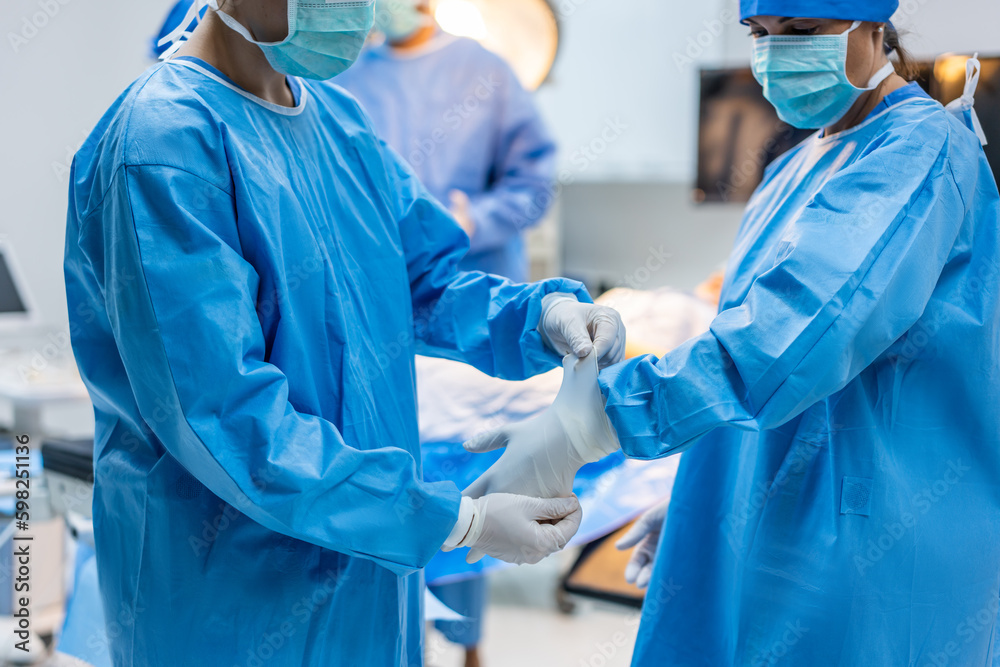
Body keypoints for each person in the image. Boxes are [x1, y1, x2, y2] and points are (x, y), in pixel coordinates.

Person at [62, 1, 627, 664]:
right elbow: (227, 421)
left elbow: (427, 283)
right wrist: (454, 519)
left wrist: (541, 316)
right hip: (228, 600)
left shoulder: (337, 124)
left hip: (368, 583)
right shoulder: (162, 147)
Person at [464, 0, 1000, 664]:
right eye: (761, 34)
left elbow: (791, 339)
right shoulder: (793, 170)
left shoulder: (918, 153)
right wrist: (707, 485)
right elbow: (742, 346)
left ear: (872, 25)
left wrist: (589, 422)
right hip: (775, 520)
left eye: (802, 32)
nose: (778, 53)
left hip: (870, 542)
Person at [335, 0, 557, 283]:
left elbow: (534, 183)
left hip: (480, 289)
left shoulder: (486, 71)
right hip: (381, 283)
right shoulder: (347, 81)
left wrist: (476, 222)